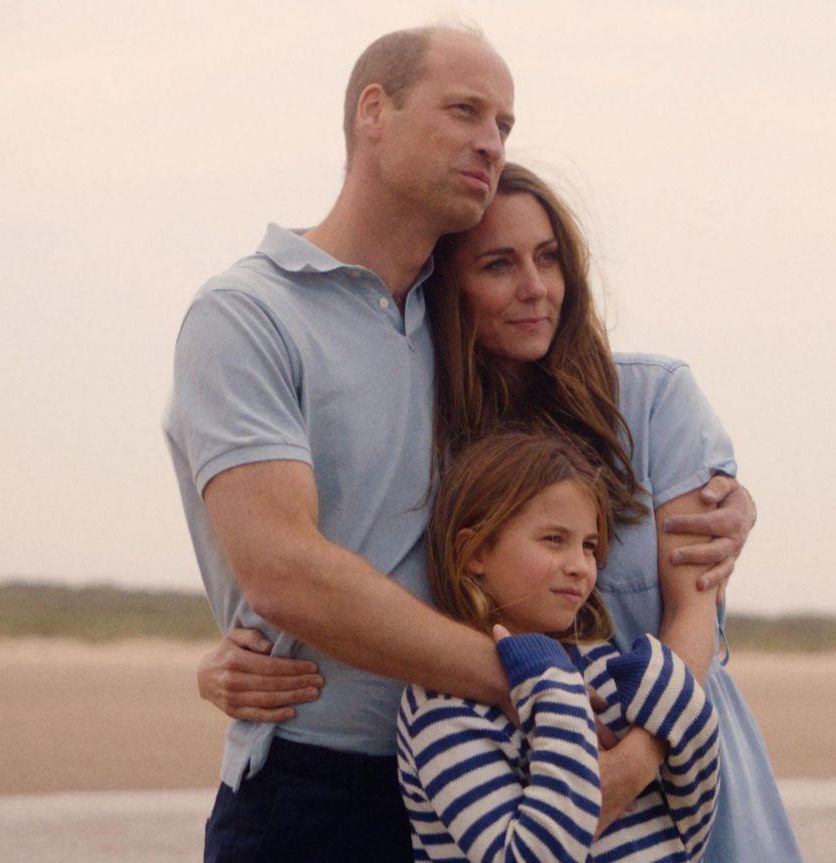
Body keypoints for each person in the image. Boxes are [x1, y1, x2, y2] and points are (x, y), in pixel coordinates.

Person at [164, 25, 752, 862]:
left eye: (504, 125)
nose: (490, 140)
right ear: (375, 111)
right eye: (465, 111)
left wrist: (730, 493)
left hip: (472, 786)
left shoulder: (460, 343)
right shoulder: (249, 314)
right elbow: (282, 571)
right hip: (319, 782)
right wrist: (528, 682)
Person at [399, 429, 720, 862]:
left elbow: (689, 831)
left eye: (588, 547)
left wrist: (681, 705)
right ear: (474, 551)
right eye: (554, 540)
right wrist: (554, 690)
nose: (579, 567)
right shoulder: (442, 704)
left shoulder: (603, 664)